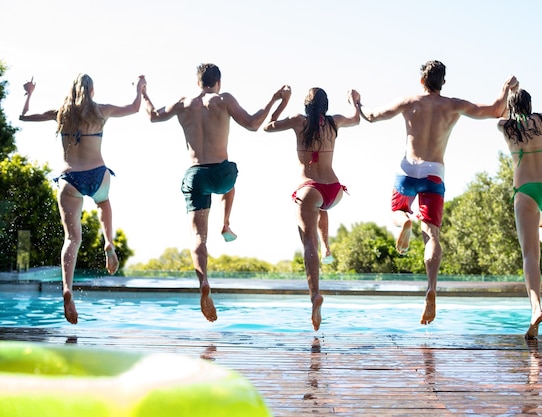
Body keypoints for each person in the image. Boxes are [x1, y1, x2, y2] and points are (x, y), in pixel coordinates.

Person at [358, 60, 518, 325]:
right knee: (431, 234)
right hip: (434, 171)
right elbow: (495, 110)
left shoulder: (409, 101)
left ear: (422, 80)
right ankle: (431, 286)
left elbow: (372, 116)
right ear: (443, 82)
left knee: (396, 211)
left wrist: (358, 103)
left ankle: (404, 221)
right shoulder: (452, 105)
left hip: (408, 167)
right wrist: (506, 88)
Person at [141, 63, 288, 322]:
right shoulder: (223, 99)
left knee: (198, 236)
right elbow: (254, 124)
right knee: (231, 177)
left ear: (198, 82)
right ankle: (226, 222)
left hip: (196, 174)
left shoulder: (182, 103)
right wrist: (275, 99)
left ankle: (204, 282)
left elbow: (152, 115)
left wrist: (142, 92)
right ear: (217, 81)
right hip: (221, 173)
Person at [19, 73, 146, 324]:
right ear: (92, 91)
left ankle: (68, 288)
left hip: (70, 180)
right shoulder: (101, 111)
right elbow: (134, 108)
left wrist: (29, 93)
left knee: (72, 238)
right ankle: (108, 241)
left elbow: (24, 116)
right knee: (103, 202)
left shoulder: (61, 113)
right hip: (97, 175)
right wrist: (140, 88)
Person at [264, 87, 361, 330]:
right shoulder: (333, 123)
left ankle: (315, 294)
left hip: (310, 189)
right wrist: (354, 101)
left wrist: (282, 101)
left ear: (306, 106)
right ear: (325, 106)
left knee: (308, 243)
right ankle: (327, 247)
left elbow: (268, 125)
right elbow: (356, 119)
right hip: (334, 190)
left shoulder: (299, 122)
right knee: (320, 208)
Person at [497, 88, 542, 340]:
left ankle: (536, 308)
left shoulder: (505, 126)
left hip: (525, 190)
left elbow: (498, 112)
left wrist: (506, 92)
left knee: (529, 257)